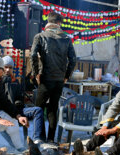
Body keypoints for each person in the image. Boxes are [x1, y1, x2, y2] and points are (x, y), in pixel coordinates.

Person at [31, 11, 76, 143]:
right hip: (59, 81)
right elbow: (73, 60)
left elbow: (33, 55)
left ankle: (39, 139)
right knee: (53, 109)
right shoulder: (67, 39)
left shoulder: (40, 36)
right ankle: (50, 139)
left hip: (45, 79)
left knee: (38, 109)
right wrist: (66, 76)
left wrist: (36, 74)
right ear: (58, 23)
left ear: (48, 22)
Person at [2, 56, 44, 144]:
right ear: (1, 67)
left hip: (17, 110)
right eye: (5, 67)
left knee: (38, 110)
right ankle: (15, 145)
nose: (7, 70)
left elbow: (19, 98)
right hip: (4, 112)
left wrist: (18, 104)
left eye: (10, 67)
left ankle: (36, 140)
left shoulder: (15, 82)